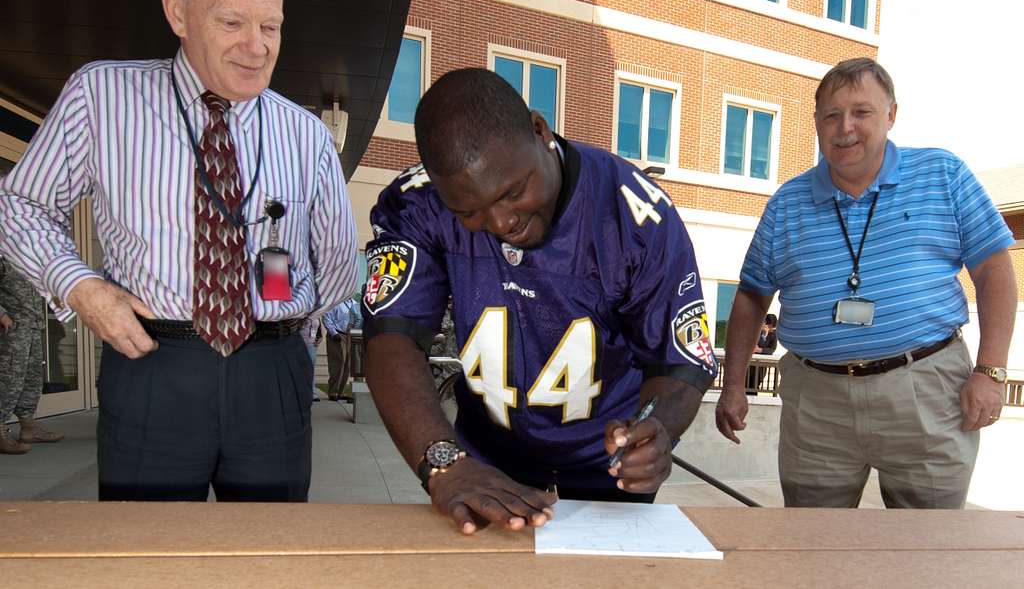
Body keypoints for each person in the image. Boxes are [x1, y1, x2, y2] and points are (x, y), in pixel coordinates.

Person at [0, 0, 358, 500]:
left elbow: (337, 265)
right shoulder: (103, 98)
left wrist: (296, 341)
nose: (257, 45)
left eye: (271, 25)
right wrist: (84, 290)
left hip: (272, 374)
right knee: (146, 555)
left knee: (269, 558)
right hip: (152, 364)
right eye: (232, 22)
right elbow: (20, 205)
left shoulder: (306, 134)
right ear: (177, 11)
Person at [363, 68, 718, 535]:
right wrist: (443, 464)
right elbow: (391, 339)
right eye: (468, 211)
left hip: (605, 467)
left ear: (540, 130)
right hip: (484, 462)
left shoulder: (636, 215)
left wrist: (657, 431)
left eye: (513, 191)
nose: (500, 221)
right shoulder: (417, 203)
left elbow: (678, 360)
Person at [715, 58, 1016, 509]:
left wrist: (990, 371)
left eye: (861, 112)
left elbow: (994, 270)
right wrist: (733, 384)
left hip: (925, 389)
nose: (845, 128)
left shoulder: (943, 175)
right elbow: (753, 294)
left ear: (891, 114)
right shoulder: (785, 204)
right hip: (817, 402)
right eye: (831, 115)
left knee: (925, 549)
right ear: (816, 123)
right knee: (816, 547)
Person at [1, 257, 64, 454]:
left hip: (33, 325)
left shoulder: (26, 255)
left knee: (31, 379)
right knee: (8, 379)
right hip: (11, 328)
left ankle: (28, 427)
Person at [323, 298, 360, 401]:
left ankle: (341, 392)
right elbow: (327, 319)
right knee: (338, 364)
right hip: (337, 335)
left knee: (348, 365)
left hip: (351, 335)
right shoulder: (334, 302)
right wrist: (334, 333)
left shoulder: (355, 304)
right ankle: (333, 392)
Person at [744, 313, 777, 396]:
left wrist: (760, 349)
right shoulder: (755, 331)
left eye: (772, 327)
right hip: (750, 363)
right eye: (769, 326)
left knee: (755, 384)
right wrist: (762, 335)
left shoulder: (773, 334)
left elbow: (771, 350)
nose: (770, 329)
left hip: (761, 365)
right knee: (746, 383)